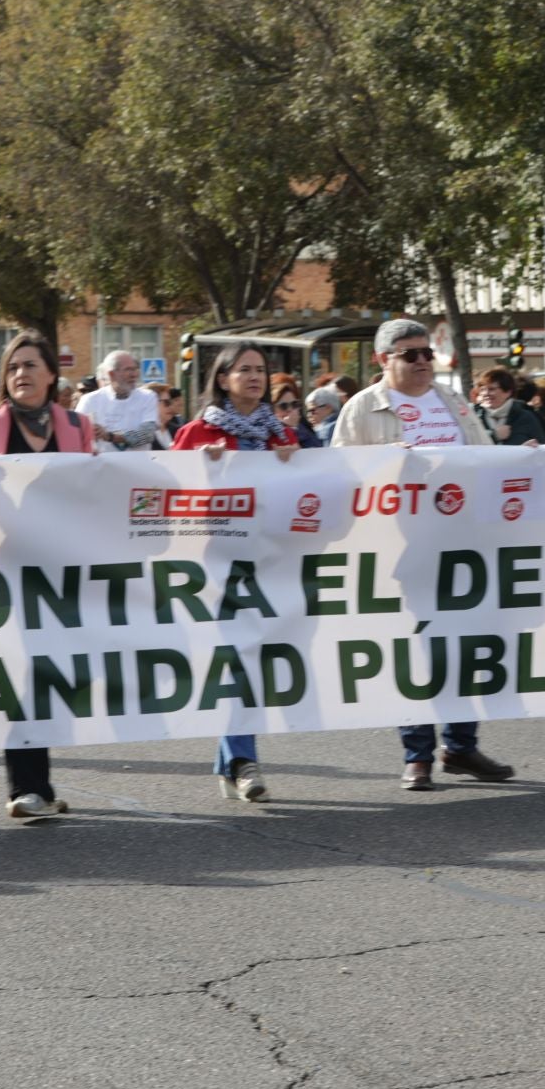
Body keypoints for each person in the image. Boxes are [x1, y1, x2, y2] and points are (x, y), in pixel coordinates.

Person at [333, 318, 514, 790]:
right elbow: (338, 478)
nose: (421, 363)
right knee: (413, 650)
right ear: (382, 360)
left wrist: (522, 458)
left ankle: (460, 745)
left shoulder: (452, 402)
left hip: (460, 543)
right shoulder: (360, 411)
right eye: (409, 355)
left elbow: (484, 456)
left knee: (464, 646)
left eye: (426, 354)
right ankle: (417, 753)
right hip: (400, 549)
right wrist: (382, 465)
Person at [0, 331, 92, 821]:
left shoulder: (77, 426)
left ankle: (43, 785)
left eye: (31, 365)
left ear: (52, 375)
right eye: (14, 367)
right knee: (20, 669)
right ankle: (26, 786)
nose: (21, 374)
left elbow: (93, 490)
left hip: (59, 566)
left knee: (52, 672)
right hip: (4, 566)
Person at [172, 343, 300, 801]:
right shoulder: (195, 433)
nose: (254, 377)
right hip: (215, 567)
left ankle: (230, 760)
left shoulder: (282, 437)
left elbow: (322, 488)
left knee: (256, 661)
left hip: (271, 564)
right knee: (235, 658)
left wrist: (296, 463)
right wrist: (198, 470)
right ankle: (245, 760)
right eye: (243, 369)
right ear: (222, 378)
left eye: (260, 370)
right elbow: (169, 498)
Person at [78, 350, 159, 452]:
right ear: (112, 374)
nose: (134, 374)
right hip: (102, 466)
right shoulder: (90, 400)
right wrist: (89, 433)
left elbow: (147, 434)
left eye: (135, 369)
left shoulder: (147, 397)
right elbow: (75, 435)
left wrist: (110, 436)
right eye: (128, 370)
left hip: (138, 465)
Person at [473, 367, 545, 445]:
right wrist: (494, 436)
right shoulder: (473, 416)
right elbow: (465, 445)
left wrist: (525, 449)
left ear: (508, 392)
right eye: (482, 389)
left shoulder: (526, 417)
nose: (485, 393)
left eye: (491, 389)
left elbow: (543, 448)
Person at [270, 374, 322, 448]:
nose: (290, 409)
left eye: (294, 404)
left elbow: (317, 449)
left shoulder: (303, 425)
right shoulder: (267, 431)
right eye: (283, 406)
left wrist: (295, 428)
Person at [145, 382, 177, 449]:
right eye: (166, 402)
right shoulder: (141, 433)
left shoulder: (177, 431)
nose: (170, 406)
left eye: (171, 402)